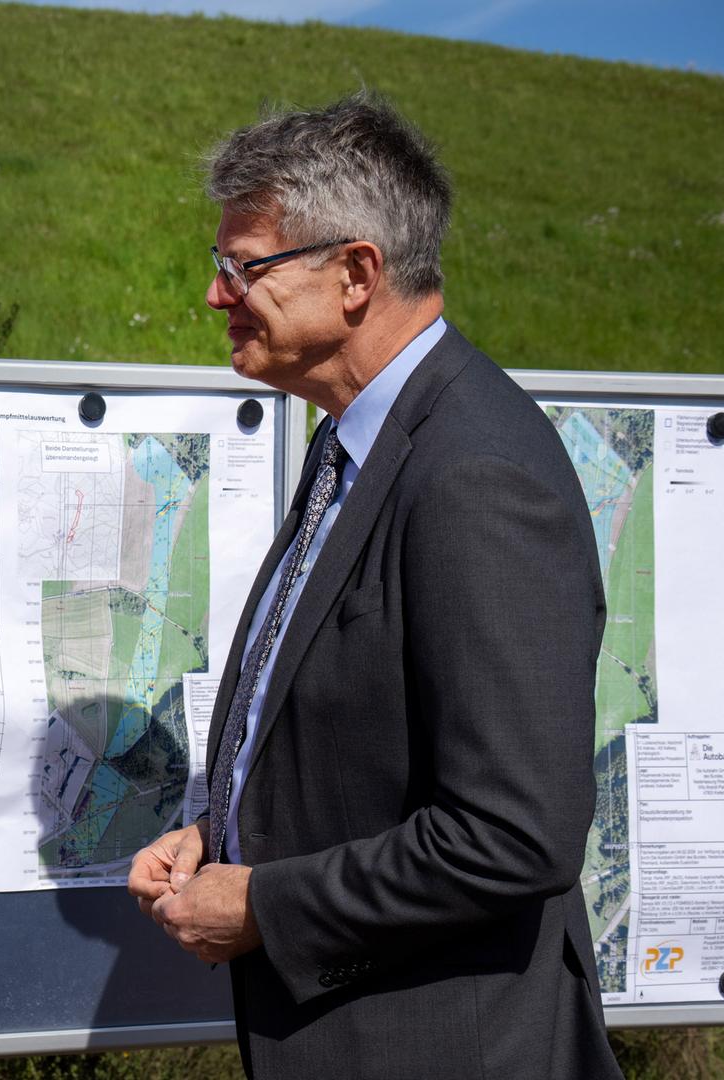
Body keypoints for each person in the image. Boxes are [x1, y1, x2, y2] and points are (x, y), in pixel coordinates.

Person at [127, 93, 622, 1077]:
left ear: (356, 273)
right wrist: (223, 832)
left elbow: (512, 834)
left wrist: (263, 904)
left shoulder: (475, 472)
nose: (216, 295)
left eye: (243, 266)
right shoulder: (356, 444)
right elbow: (363, 728)